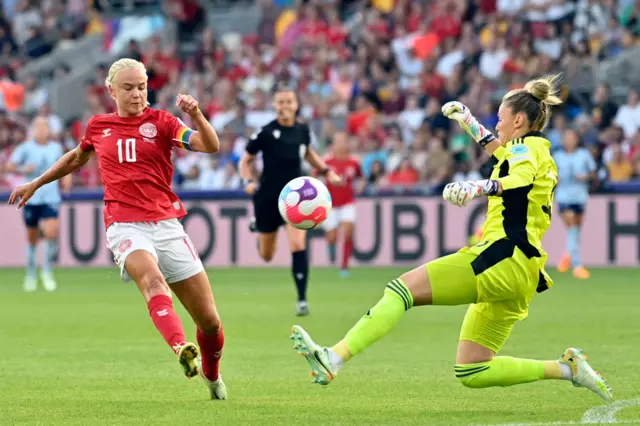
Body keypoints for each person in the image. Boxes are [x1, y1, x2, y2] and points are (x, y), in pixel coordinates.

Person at [289, 75, 613, 402]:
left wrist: (477, 187)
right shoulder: (533, 149)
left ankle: (334, 358)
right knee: (472, 370)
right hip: (522, 273)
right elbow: (502, 154)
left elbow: (518, 177)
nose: (496, 126)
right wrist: (469, 122)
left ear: (518, 120)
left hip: (502, 258)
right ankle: (568, 369)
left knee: (402, 290)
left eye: (500, 119)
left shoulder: (526, 152)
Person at [9, 58, 228, 400]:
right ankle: (181, 348)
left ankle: (212, 376)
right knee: (152, 281)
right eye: (128, 88)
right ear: (112, 91)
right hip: (124, 224)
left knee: (211, 322)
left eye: (142, 87)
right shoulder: (98, 126)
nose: (137, 94)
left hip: (167, 225)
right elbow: (75, 159)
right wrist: (35, 183)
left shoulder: (164, 123)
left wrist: (196, 114)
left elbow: (210, 145)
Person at [239, 86, 342, 316]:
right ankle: (261, 227)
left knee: (297, 244)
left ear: (296, 105)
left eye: (289, 102)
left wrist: (327, 171)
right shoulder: (265, 132)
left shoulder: (302, 131)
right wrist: (246, 181)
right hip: (267, 196)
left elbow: (308, 153)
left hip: (295, 199)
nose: (284, 106)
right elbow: (246, 160)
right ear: (274, 106)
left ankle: (302, 299)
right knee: (266, 256)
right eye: (280, 102)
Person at [6, 116, 71, 292]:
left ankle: (47, 271)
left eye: (45, 127)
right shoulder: (25, 148)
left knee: (51, 232)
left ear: (49, 130)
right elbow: (9, 165)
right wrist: (22, 169)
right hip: (31, 198)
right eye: (39, 127)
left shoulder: (56, 148)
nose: (42, 130)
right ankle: (31, 273)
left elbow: (67, 165)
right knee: (32, 237)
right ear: (33, 129)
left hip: (51, 197)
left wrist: (67, 178)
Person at [318, 132, 364, 277]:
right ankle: (331, 246)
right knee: (332, 236)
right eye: (338, 141)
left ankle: (344, 266)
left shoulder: (353, 162)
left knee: (348, 232)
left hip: (347, 202)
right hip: (330, 204)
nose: (341, 144)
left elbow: (361, 177)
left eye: (343, 141)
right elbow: (315, 176)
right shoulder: (326, 161)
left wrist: (360, 186)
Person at [553, 129, 596, 279]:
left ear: (577, 140)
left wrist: (585, 177)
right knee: (571, 225)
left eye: (572, 137)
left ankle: (567, 255)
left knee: (576, 229)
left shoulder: (584, 155)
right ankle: (577, 265)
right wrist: (555, 179)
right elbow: (550, 174)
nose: (569, 140)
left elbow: (593, 173)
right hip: (564, 197)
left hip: (579, 196)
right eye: (566, 137)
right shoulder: (557, 156)